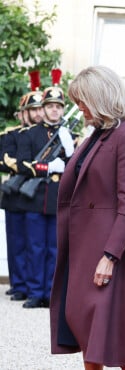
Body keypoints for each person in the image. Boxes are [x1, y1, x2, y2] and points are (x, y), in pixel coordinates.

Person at [49, 65, 125, 369]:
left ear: (99, 96)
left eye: (82, 100)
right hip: (83, 245)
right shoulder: (96, 135)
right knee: (88, 330)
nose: (79, 107)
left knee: (118, 341)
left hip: (109, 248)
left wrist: (110, 256)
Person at [16, 69, 76, 309]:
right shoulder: (30, 134)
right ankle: (34, 291)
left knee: (55, 249)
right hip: (34, 198)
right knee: (35, 247)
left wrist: (69, 153)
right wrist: (48, 168)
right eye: (50, 106)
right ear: (43, 108)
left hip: (58, 199)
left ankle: (52, 293)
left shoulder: (68, 135)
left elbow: (76, 169)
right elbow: (22, 165)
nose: (55, 110)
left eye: (58, 107)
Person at [0, 91, 33, 301]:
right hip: (15, 193)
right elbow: (3, 159)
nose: (35, 114)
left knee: (33, 244)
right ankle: (18, 283)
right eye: (30, 110)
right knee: (16, 242)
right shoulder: (12, 134)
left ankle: (29, 284)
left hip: (33, 194)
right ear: (21, 114)